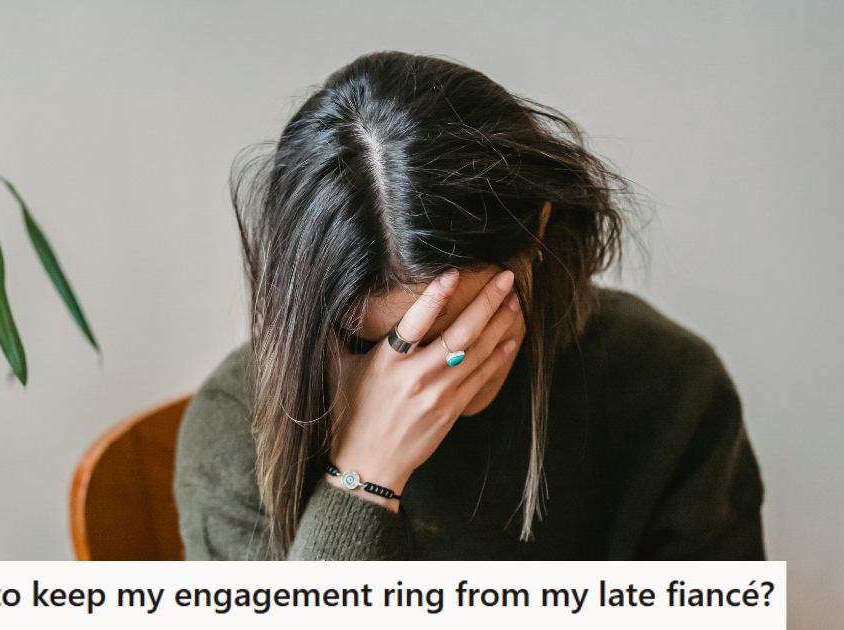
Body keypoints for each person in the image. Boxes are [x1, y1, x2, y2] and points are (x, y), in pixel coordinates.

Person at [174, 52, 764, 561]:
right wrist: (362, 482)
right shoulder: (236, 433)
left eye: (459, 326)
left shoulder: (670, 386)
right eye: (371, 343)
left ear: (538, 228)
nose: (423, 380)